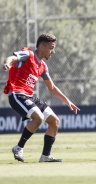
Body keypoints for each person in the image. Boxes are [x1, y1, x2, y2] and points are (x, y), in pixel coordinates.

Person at [2, 33, 80, 162]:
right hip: (17, 94)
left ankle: (45, 156)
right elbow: (12, 58)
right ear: (41, 47)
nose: (53, 51)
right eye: (51, 48)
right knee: (38, 118)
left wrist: (68, 101)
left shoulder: (43, 66)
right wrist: (7, 64)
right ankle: (19, 147)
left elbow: (52, 88)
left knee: (54, 121)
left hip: (29, 96)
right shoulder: (29, 55)